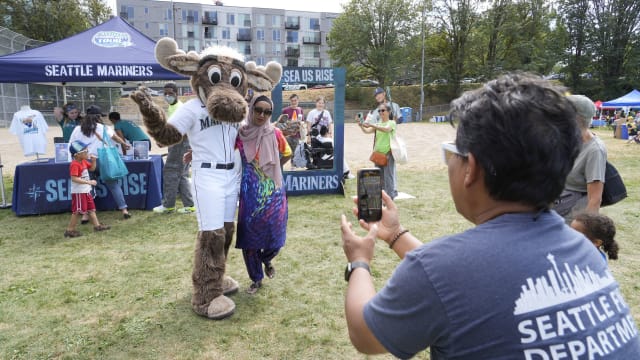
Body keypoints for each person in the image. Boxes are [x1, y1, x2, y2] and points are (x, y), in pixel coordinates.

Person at [340, 74, 640, 358]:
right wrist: (395, 234)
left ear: (471, 167)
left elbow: (364, 333)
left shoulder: (439, 269)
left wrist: (359, 261)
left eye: (451, 153)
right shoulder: (584, 252)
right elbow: (467, 283)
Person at [236, 95, 291, 294]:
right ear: (251, 109)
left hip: (274, 193)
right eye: (258, 109)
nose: (262, 115)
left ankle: (266, 259)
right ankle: (256, 279)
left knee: (275, 236)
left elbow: (287, 153)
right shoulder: (241, 134)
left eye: (267, 112)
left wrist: (272, 170)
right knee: (249, 239)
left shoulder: (275, 133)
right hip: (250, 194)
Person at [68, 105, 132, 220]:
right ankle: (124, 209)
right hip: (103, 160)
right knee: (113, 185)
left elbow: (71, 144)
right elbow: (115, 137)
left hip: (85, 161)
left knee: (87, 187)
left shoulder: (78, 129)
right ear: (98, 117)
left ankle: (86, 215)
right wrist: (124, 143)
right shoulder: (103, 127)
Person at [553, 95, 607, 222]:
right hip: (556, 205)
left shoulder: (595, 150)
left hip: (574, 213)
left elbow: (595, 199)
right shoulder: (567, 140)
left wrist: (585, 230)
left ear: (576, 119)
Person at [153, 82, 196, 214]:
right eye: (165, 93)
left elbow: (181, 131)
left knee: (170, 171)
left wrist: (166, 142)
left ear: (177, 93)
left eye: (170, 93)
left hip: (180, 144)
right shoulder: (172, 107)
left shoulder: (179, 108)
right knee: (182, 174)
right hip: (180, 144)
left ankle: (168, 205)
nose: (167, 96)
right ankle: (189, 205)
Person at [64, 140, 110, 238]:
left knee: (91, 209)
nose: (88, 152)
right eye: (85, 151)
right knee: (77, 211)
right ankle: (70, 230)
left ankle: (97, 226)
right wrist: (89, 182)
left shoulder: (84, 161)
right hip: (79, 192)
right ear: (77, 155)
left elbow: (92, 169)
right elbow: (74, 178)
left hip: (86, 191)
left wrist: (93, 161)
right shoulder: (74, 164)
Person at [358, 103, 397, 199]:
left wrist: (372, 125)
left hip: (388, 154)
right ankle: (382, 198)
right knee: (379, 178)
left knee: (388, 178)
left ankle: (390, 198)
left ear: (388, 112)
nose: (380, 112)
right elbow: (367, 131)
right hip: (378, 155)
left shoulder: (392, 123)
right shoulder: (378, 124)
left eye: (383, 110)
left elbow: (386, 129)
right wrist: (361, 126)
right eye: (379, 111)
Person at [281, 93, 306, 160]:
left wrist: (301, 124)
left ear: (298, 101)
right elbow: (281, 123)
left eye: (295, 100)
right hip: (287, 135)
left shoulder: (300, 110)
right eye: (292, 100)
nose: (294, 102)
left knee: (295, 152)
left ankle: (293, 166)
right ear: (290, 101)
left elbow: (303, 121)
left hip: (296, 135)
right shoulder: (285, 110)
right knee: (285, 152)